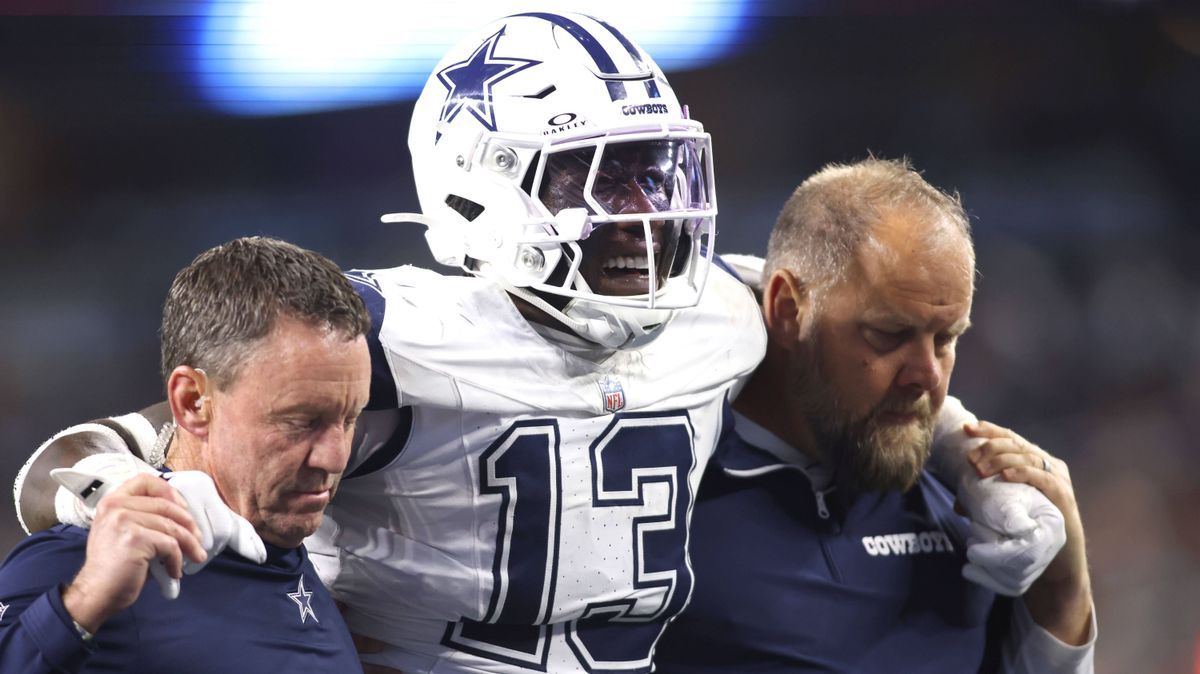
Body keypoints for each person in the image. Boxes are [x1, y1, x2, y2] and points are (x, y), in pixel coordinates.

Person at [11, 14, 1063, 674]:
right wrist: (109, 488)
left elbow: (873, 351)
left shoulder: (722, 308)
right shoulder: (396, 333)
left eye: (655, 170)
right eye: (596, 175)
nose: (643, 211)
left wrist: (972, 460)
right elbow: (89, 454)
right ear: (481, 179)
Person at [653, 158, 1095, 673]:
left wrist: (1064, 589)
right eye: (889, 335)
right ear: (788, 310)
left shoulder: (977, 520)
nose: (927, 374)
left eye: (947, 338)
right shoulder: (663, 502)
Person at [0, 237, 371, 672]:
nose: (334, 458)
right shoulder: (86, 563)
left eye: (349, 418)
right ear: (194, 402)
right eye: (300, 421)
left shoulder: (296, 555)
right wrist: (85, 600)